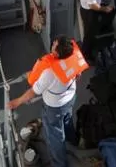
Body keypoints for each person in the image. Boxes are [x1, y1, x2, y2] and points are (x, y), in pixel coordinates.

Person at [8, 36, 89, 167]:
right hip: (70, 99)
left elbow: (33, 92)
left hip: (54, 108)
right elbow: (77, 75)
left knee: (55, 136)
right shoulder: (71, 58)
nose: (52, 44)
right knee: (67, 120)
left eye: (54, 44)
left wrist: (17, 102)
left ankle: (59, 164)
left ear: (56, 53)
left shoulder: (49, 73)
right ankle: (73, 140)